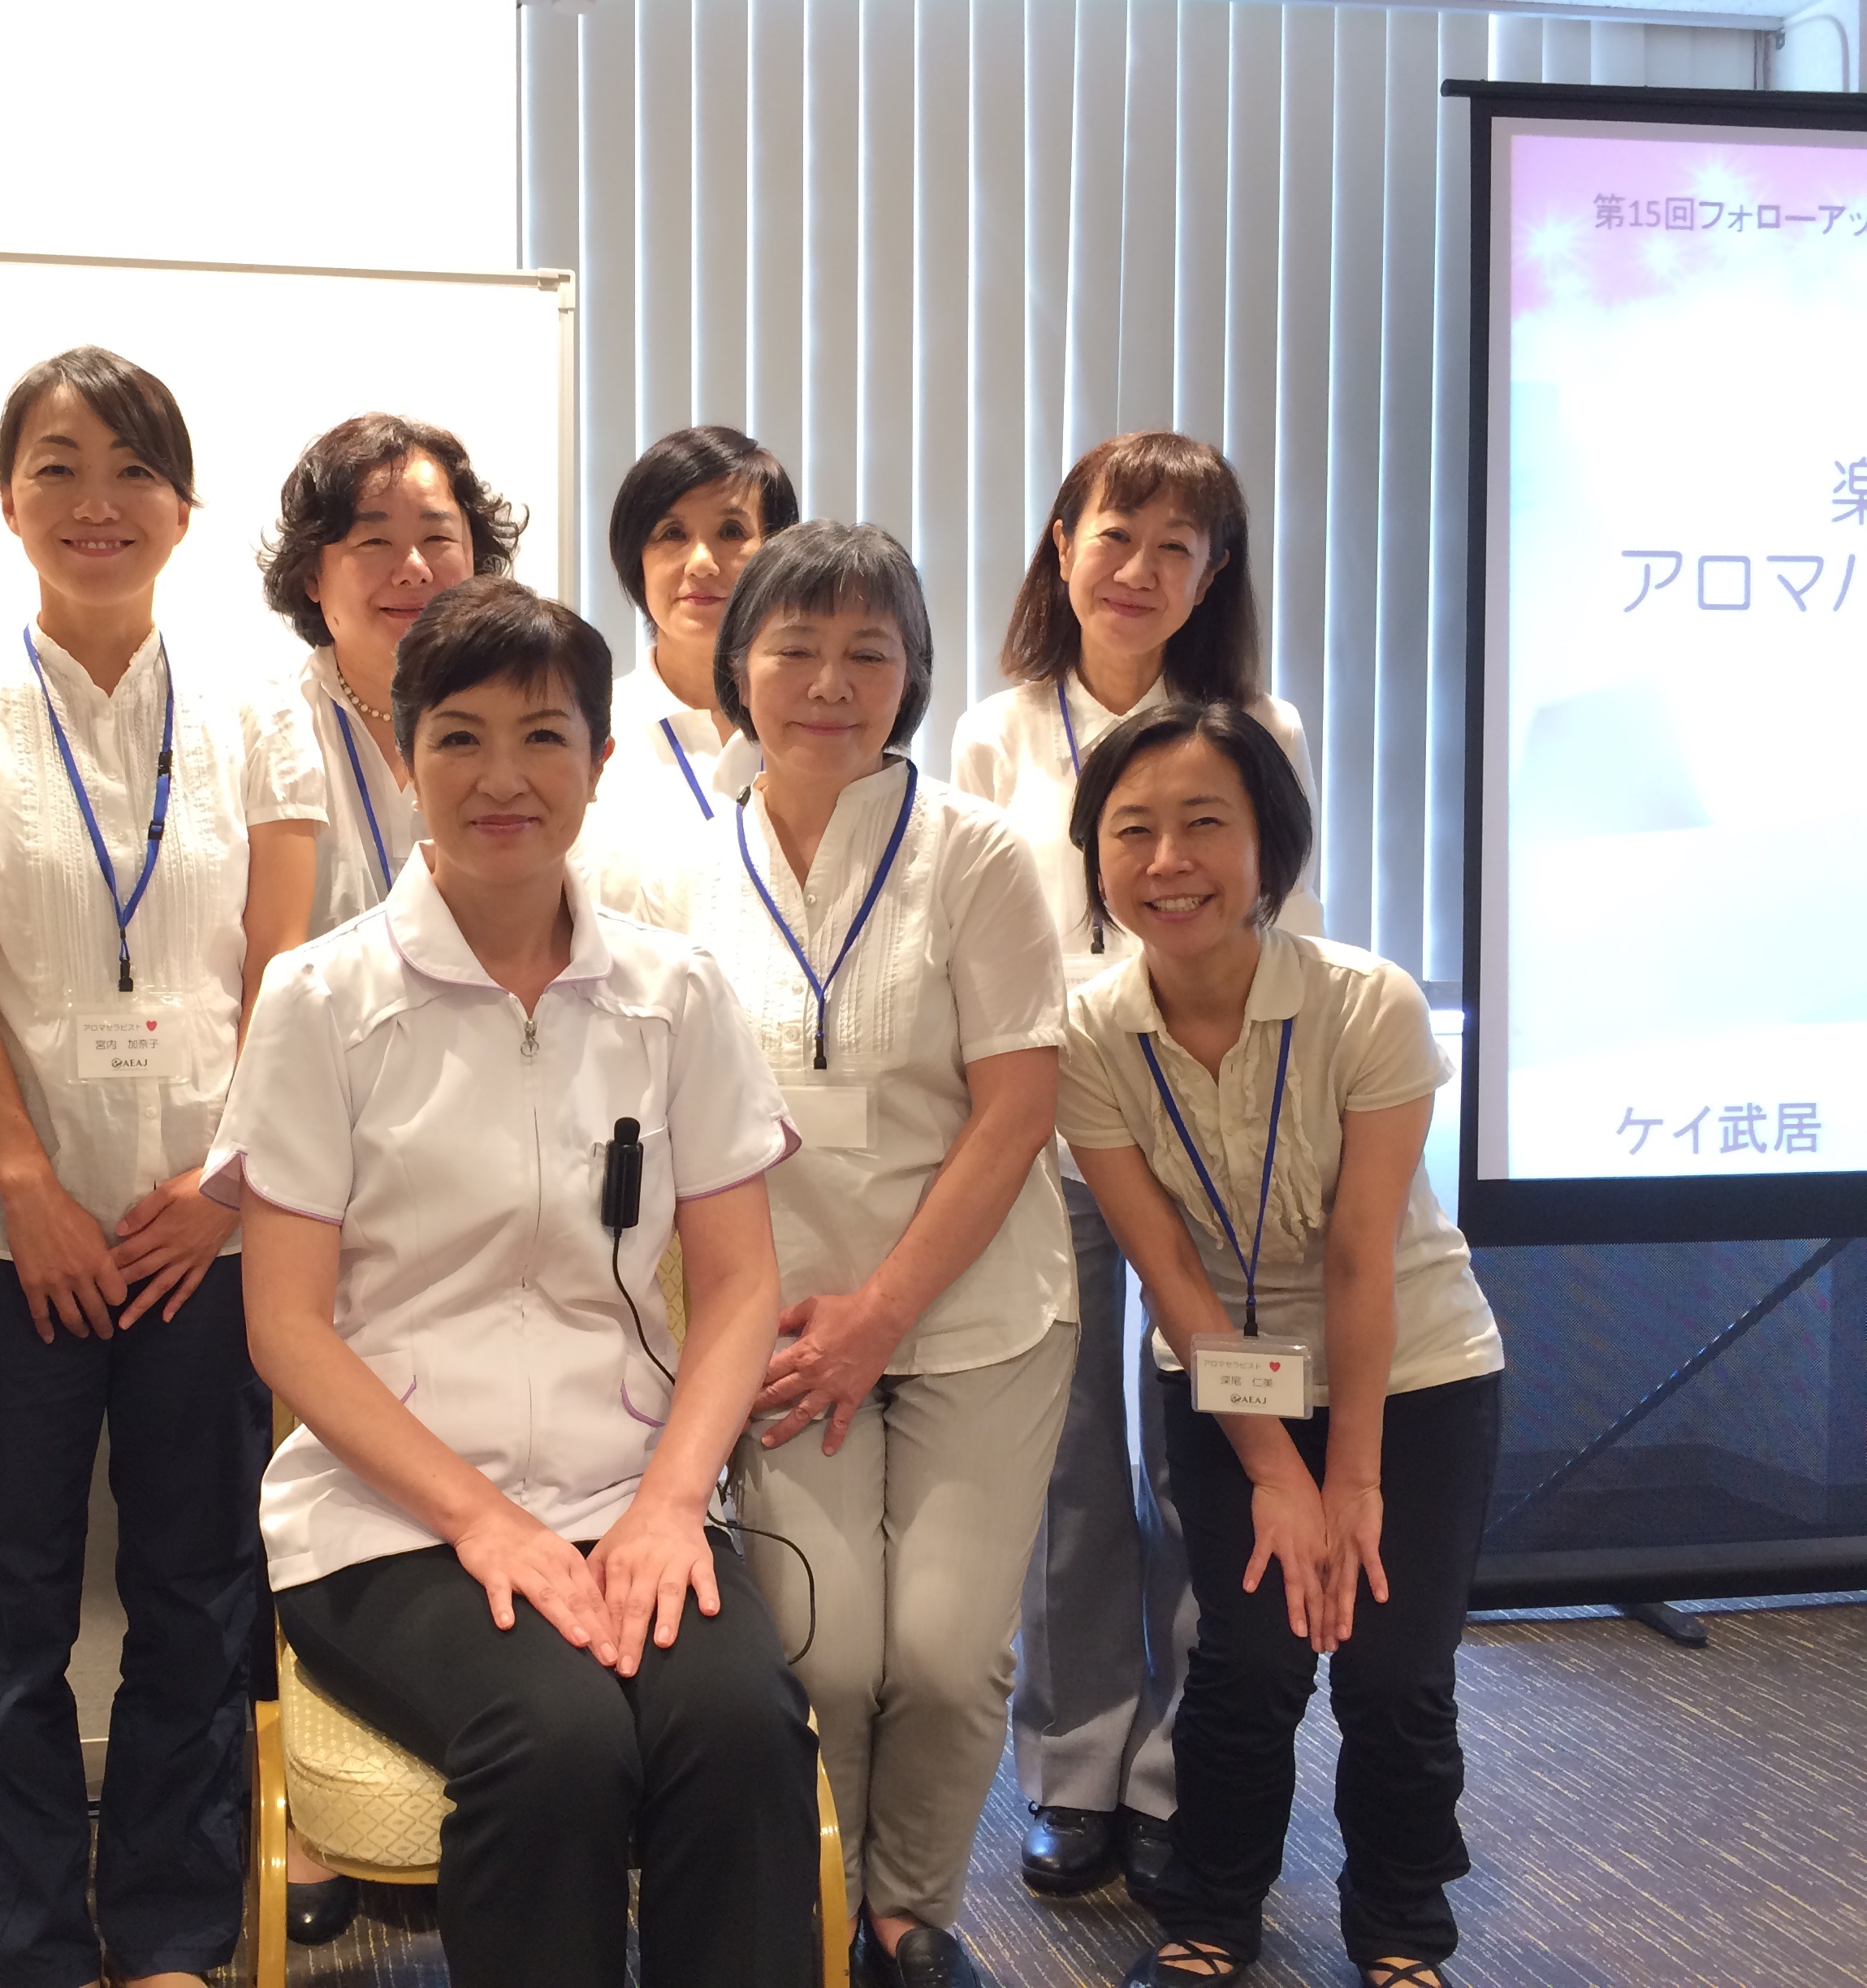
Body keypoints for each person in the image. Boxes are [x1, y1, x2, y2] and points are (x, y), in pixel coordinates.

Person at [209, 575, 823, 1988]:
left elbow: (738, 1287)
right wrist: (484, 1523)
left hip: (631, 1492)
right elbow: (285, 1327)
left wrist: (669, 1504)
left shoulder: (675, 993)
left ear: (598, 761)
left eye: (543, 737)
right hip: (388, 1524)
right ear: (403, 754)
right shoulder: (320, 1000)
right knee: (554, 1739)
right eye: (459, 738)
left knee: (741, 1729)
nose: (502, 778)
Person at [0, 344, 322, 1988]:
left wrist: (221, 1189)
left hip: (207, 1230)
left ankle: (176, 1932)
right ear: (5, 502)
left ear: (183, 507)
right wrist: (27, 1187)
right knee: (4, 1613)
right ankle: (37, 1946)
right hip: (9, 1237)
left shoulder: (258, 710)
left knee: (202, 1593)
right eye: (56, 467)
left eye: (132, 469)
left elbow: (279, 972)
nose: (96, 502)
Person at [672, 521, 1076, 1988]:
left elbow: (1015, 1109)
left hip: (975, 1312)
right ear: (740, 666)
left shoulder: (976, 853)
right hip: (781, 1327)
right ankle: (817, 1902)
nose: (829, 684)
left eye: (868, 652)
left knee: (949, 1654)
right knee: (823, 1650)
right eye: (794, 648)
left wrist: (881, 1314)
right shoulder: (680, 870)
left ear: (912, 673)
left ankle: (909, 1912)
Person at [1057, 701, 1503, 1988]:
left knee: (1392, 1671)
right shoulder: (1090, 1033)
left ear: (1271, 846)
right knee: (1247, 1661)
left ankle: (1402, 1927)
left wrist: (1347, 1478)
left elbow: (1362, 1256)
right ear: (1096, 856)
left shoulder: (1367, 1003)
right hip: (1226, 1377)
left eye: (1205, 823)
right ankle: (1210, 1912)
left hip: (1411, 1376)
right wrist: (1272, 1469)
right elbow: (1170, 1271)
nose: (1168, 861)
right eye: (1132, 831)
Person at [951, 432, 1321, 1901]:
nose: (1139, 570)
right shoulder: (993, 732)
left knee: (1198, 1451)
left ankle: (1178, 1770)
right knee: (1065, 1466)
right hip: (1044, 1135)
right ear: (1061, 547)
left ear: (1212, 575)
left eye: (1179, 546)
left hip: (1201, 1138)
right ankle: (1071, 1767)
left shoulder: (1259, 725)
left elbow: (1286, 935)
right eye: (1116, 535)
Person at [259, 413, 521, 933]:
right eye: (374, 542)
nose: (414, 569)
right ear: (312, 575)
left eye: (438, 537)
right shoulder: (269, 730)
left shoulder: (527, 723)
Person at [589, 425, 798, 835]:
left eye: (731, 531)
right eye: (673, 534)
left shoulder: (815, 726)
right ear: (637, 562)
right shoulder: (589, 731)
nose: (701, 562)